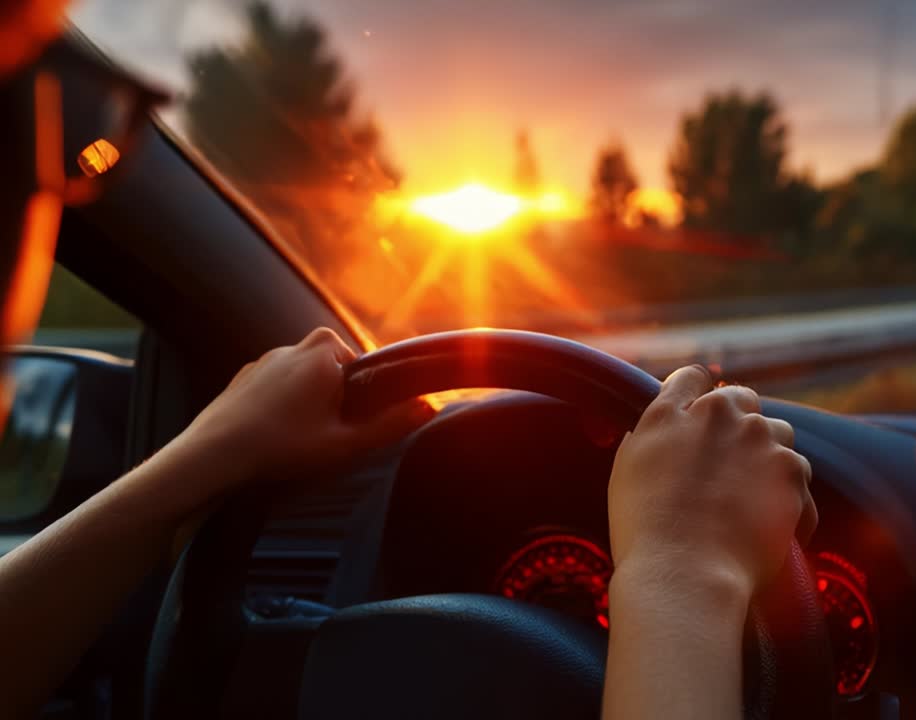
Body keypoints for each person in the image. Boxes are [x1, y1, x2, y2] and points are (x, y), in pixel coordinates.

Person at [0, 7, 817, 720]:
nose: (48, 176)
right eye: (41, 102)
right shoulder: (684, 571)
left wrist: (208, 456)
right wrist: (684, 570)